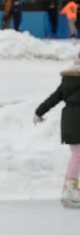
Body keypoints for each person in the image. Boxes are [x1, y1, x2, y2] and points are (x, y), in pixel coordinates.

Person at [34, 51, 80, 208]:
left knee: (77, 154)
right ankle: (70, 188)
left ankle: (71, 187)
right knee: (78, 155)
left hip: (70, 121)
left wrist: (39, 112)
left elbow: (54, 97)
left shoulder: (68, 80)